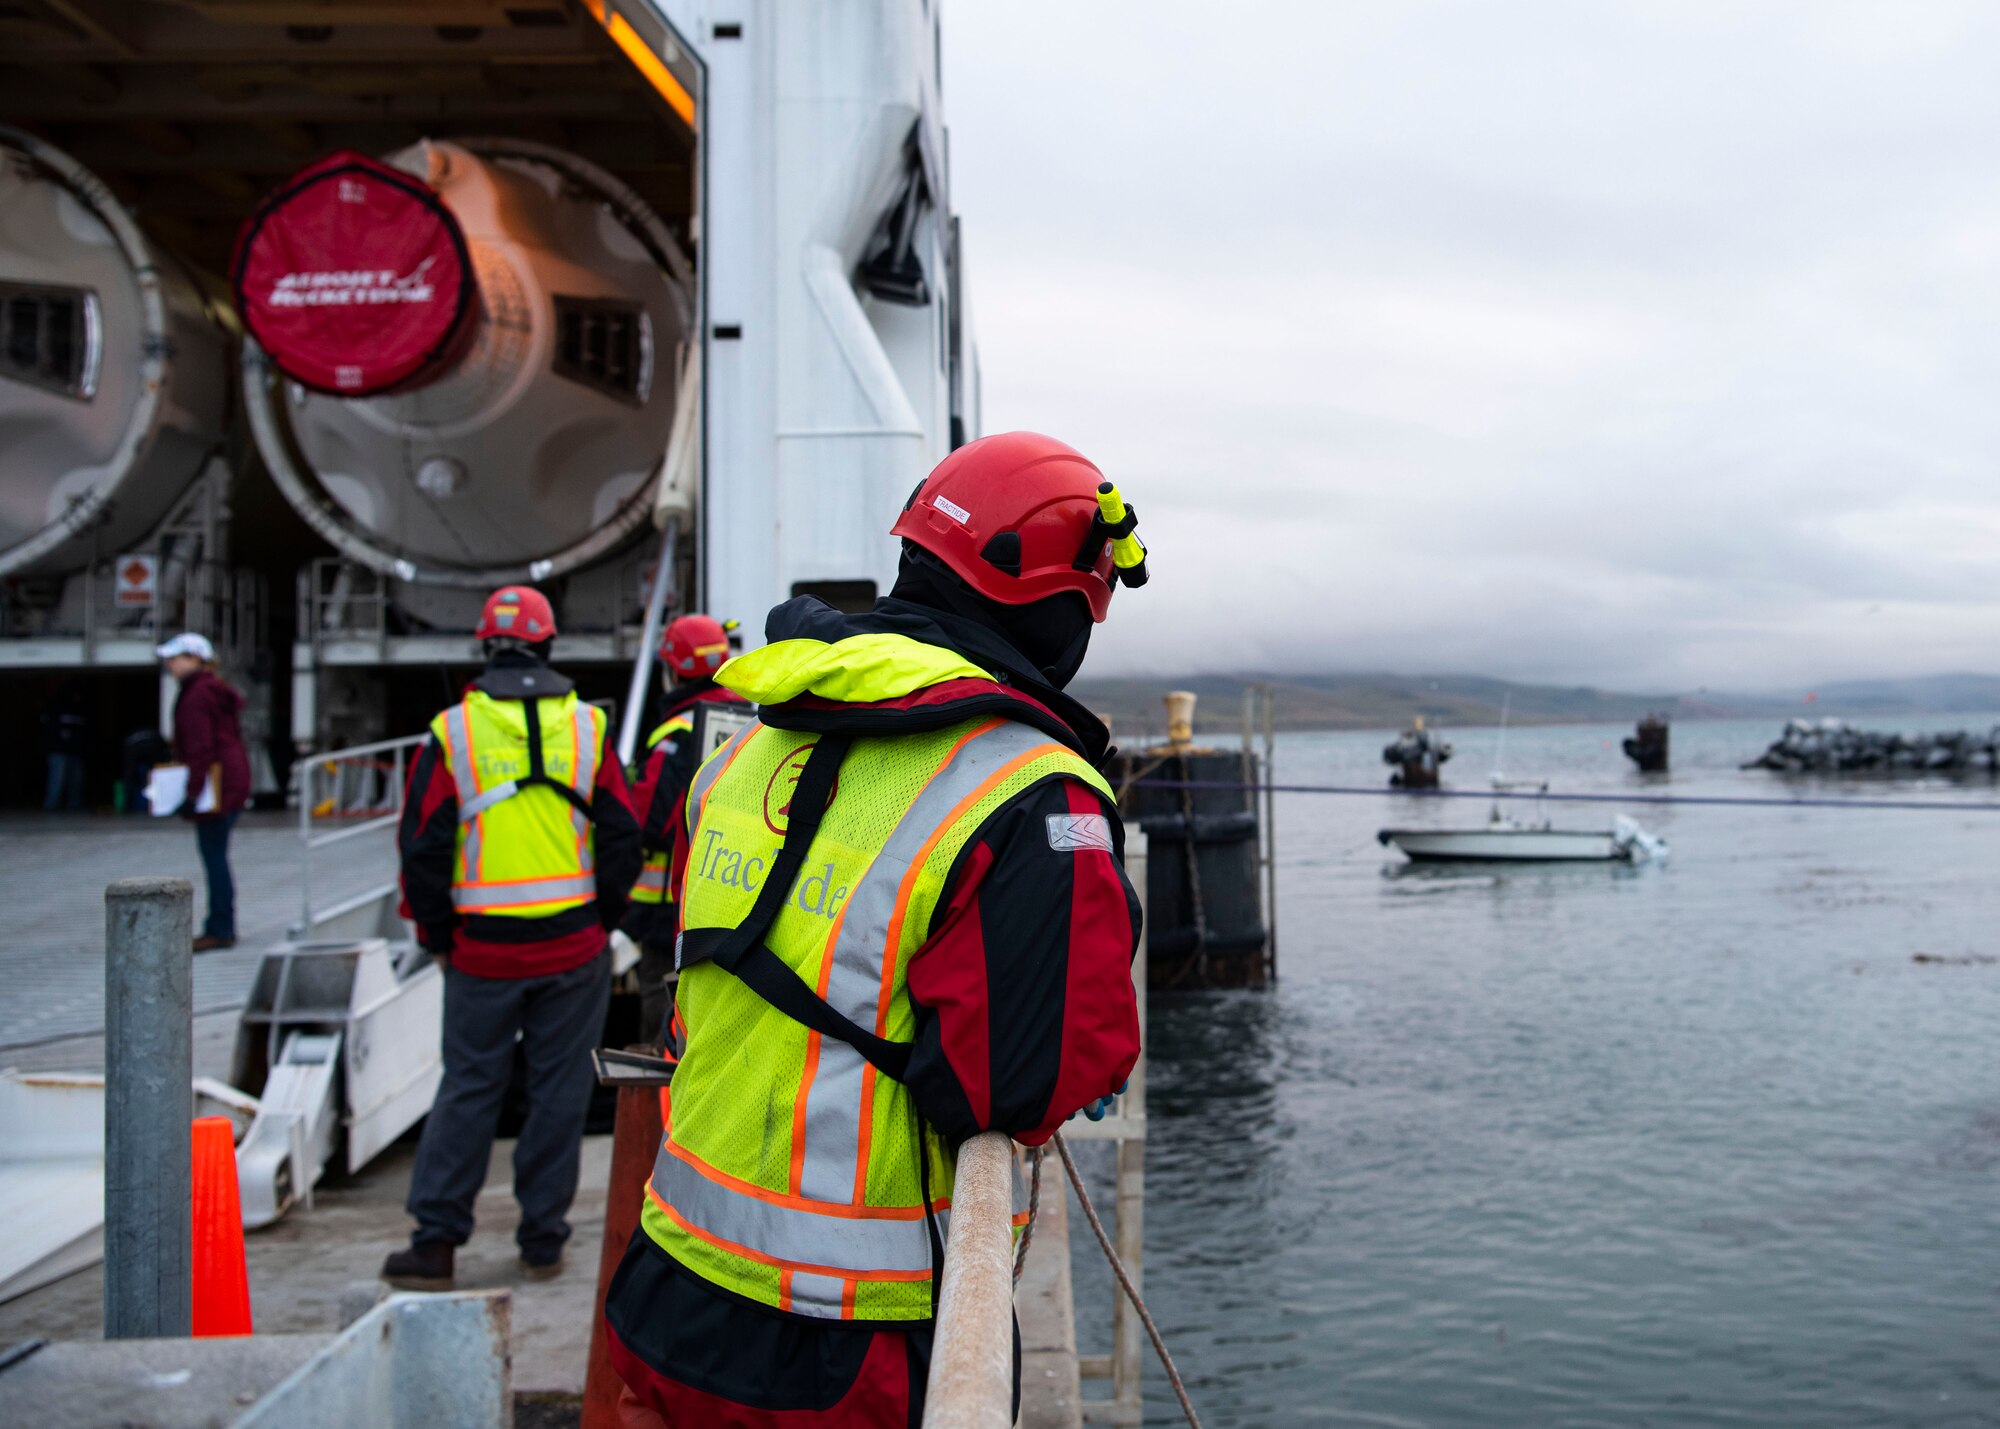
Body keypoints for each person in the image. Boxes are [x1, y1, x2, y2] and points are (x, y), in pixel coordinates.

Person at [603, 432, 1149, 1426]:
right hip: (835, 1339)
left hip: (665, 1276)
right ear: (1051, 601)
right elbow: (1023, 1081)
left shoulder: (752, 743)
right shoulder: (1028, 792)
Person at [384, 586, 643, 1291]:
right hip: (573, 947)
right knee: (559, 1092)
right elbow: (623, 833)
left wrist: (438, 933)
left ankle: (436, 1242)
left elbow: (422, 846)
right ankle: (543, 1239)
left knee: (469, 1087)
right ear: (548, 642)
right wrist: (603, 917)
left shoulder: (452, 733)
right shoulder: (589, 727)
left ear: (485, 645)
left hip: (482, 950)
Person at [622, 614, 753, 1041]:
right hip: (736, 894)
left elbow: (646, 821)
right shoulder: (754, 722)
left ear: (674, 670)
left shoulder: (675, 733)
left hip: (669, 908)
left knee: (665, 1021)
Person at [157, 633, 251, 951]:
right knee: (218, 854)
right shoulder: (215, 690)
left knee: (214, 856)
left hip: (217, 784)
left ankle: (220, 927)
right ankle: (221, 924)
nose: (170, 664)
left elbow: (200, 748)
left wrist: (191, 794)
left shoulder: (196, 695)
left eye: (176, 658)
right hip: (232, 778)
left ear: (195, 659)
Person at [40, 685, 87, 811]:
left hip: (73, 751)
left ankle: (74, 804)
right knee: (56, 779)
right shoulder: (56, 708)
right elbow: (48, 730)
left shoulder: (78, 709)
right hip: (57, 750)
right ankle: (51, 805)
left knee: (75, 780)